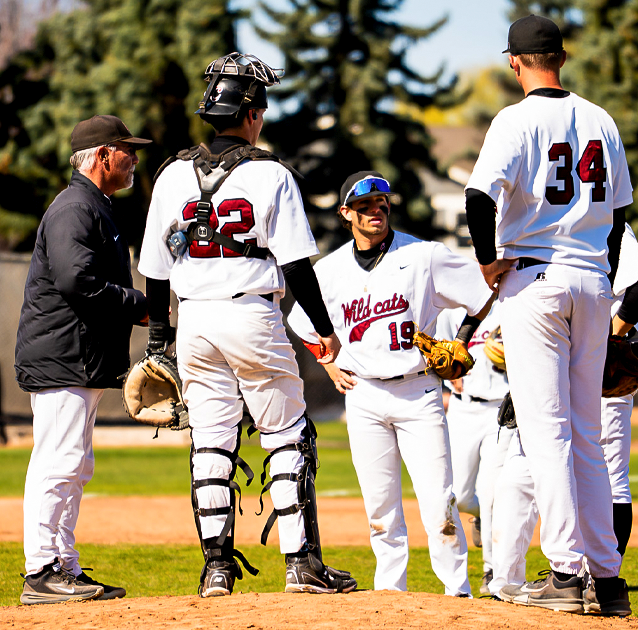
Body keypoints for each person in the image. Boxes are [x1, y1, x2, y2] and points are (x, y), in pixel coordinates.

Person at [138, 53, 356, 598]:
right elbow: (297, 264)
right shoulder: (270, 173)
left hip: (194, 318)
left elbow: (155, 271)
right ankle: (301, 564)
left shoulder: (170, 175)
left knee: (210, 439)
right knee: (287, 433)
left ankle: (216, 569)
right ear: (253, 113)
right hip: (249, 312)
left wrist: (159, 341)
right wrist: (325, 329)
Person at [462, 14, 633, 615]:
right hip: (591, 279)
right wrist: (605, 289)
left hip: (535, 279)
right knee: (589, 434)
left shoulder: (515, 118)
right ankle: (608, 581)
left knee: (545, 434)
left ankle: (564, 573)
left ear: (515, 62)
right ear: (562, 57)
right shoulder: (601, 118)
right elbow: (615, 221)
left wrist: (487, 263)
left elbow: (478, 198)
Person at [287, 171, 495, 597]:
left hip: (418, 391)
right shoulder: (329, 270)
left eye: (382, 203)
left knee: (439, 501)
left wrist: (459, 340)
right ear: (347, 213)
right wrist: (329, 364)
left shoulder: (425, 255)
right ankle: (389, 595)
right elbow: (301, 323)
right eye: (364, 206)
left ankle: (457, 591)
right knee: (380, 505)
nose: (376, 211)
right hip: (363, 394)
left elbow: (483, 291)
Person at [15, 114, 151, 604]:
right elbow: (77, 282)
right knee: (60, 460)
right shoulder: (75, 207)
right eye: (126, 149)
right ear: (101, 156)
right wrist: (140, 306)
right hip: (62, 357)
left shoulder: (95, 206)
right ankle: (42, 569)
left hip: (76, 356)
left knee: (75, 462)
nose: (133, 157)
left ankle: (63, 565)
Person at [491, 224, 638, 616]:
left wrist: (612, 338)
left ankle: (577, 575)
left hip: (600, 375)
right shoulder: (576, 218)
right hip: (578, 359)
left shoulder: (589, 221)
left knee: (596, 469)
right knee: (568, 463)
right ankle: (602, 581)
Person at [436, 304, 510, 595]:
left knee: (493, 494)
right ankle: (481, 517)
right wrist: (446, 371)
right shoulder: (453, 312)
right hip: (463, 410)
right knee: (461, 494)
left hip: (502, 410)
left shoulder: (511, 306)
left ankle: (491, 569)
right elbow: (436, 350)